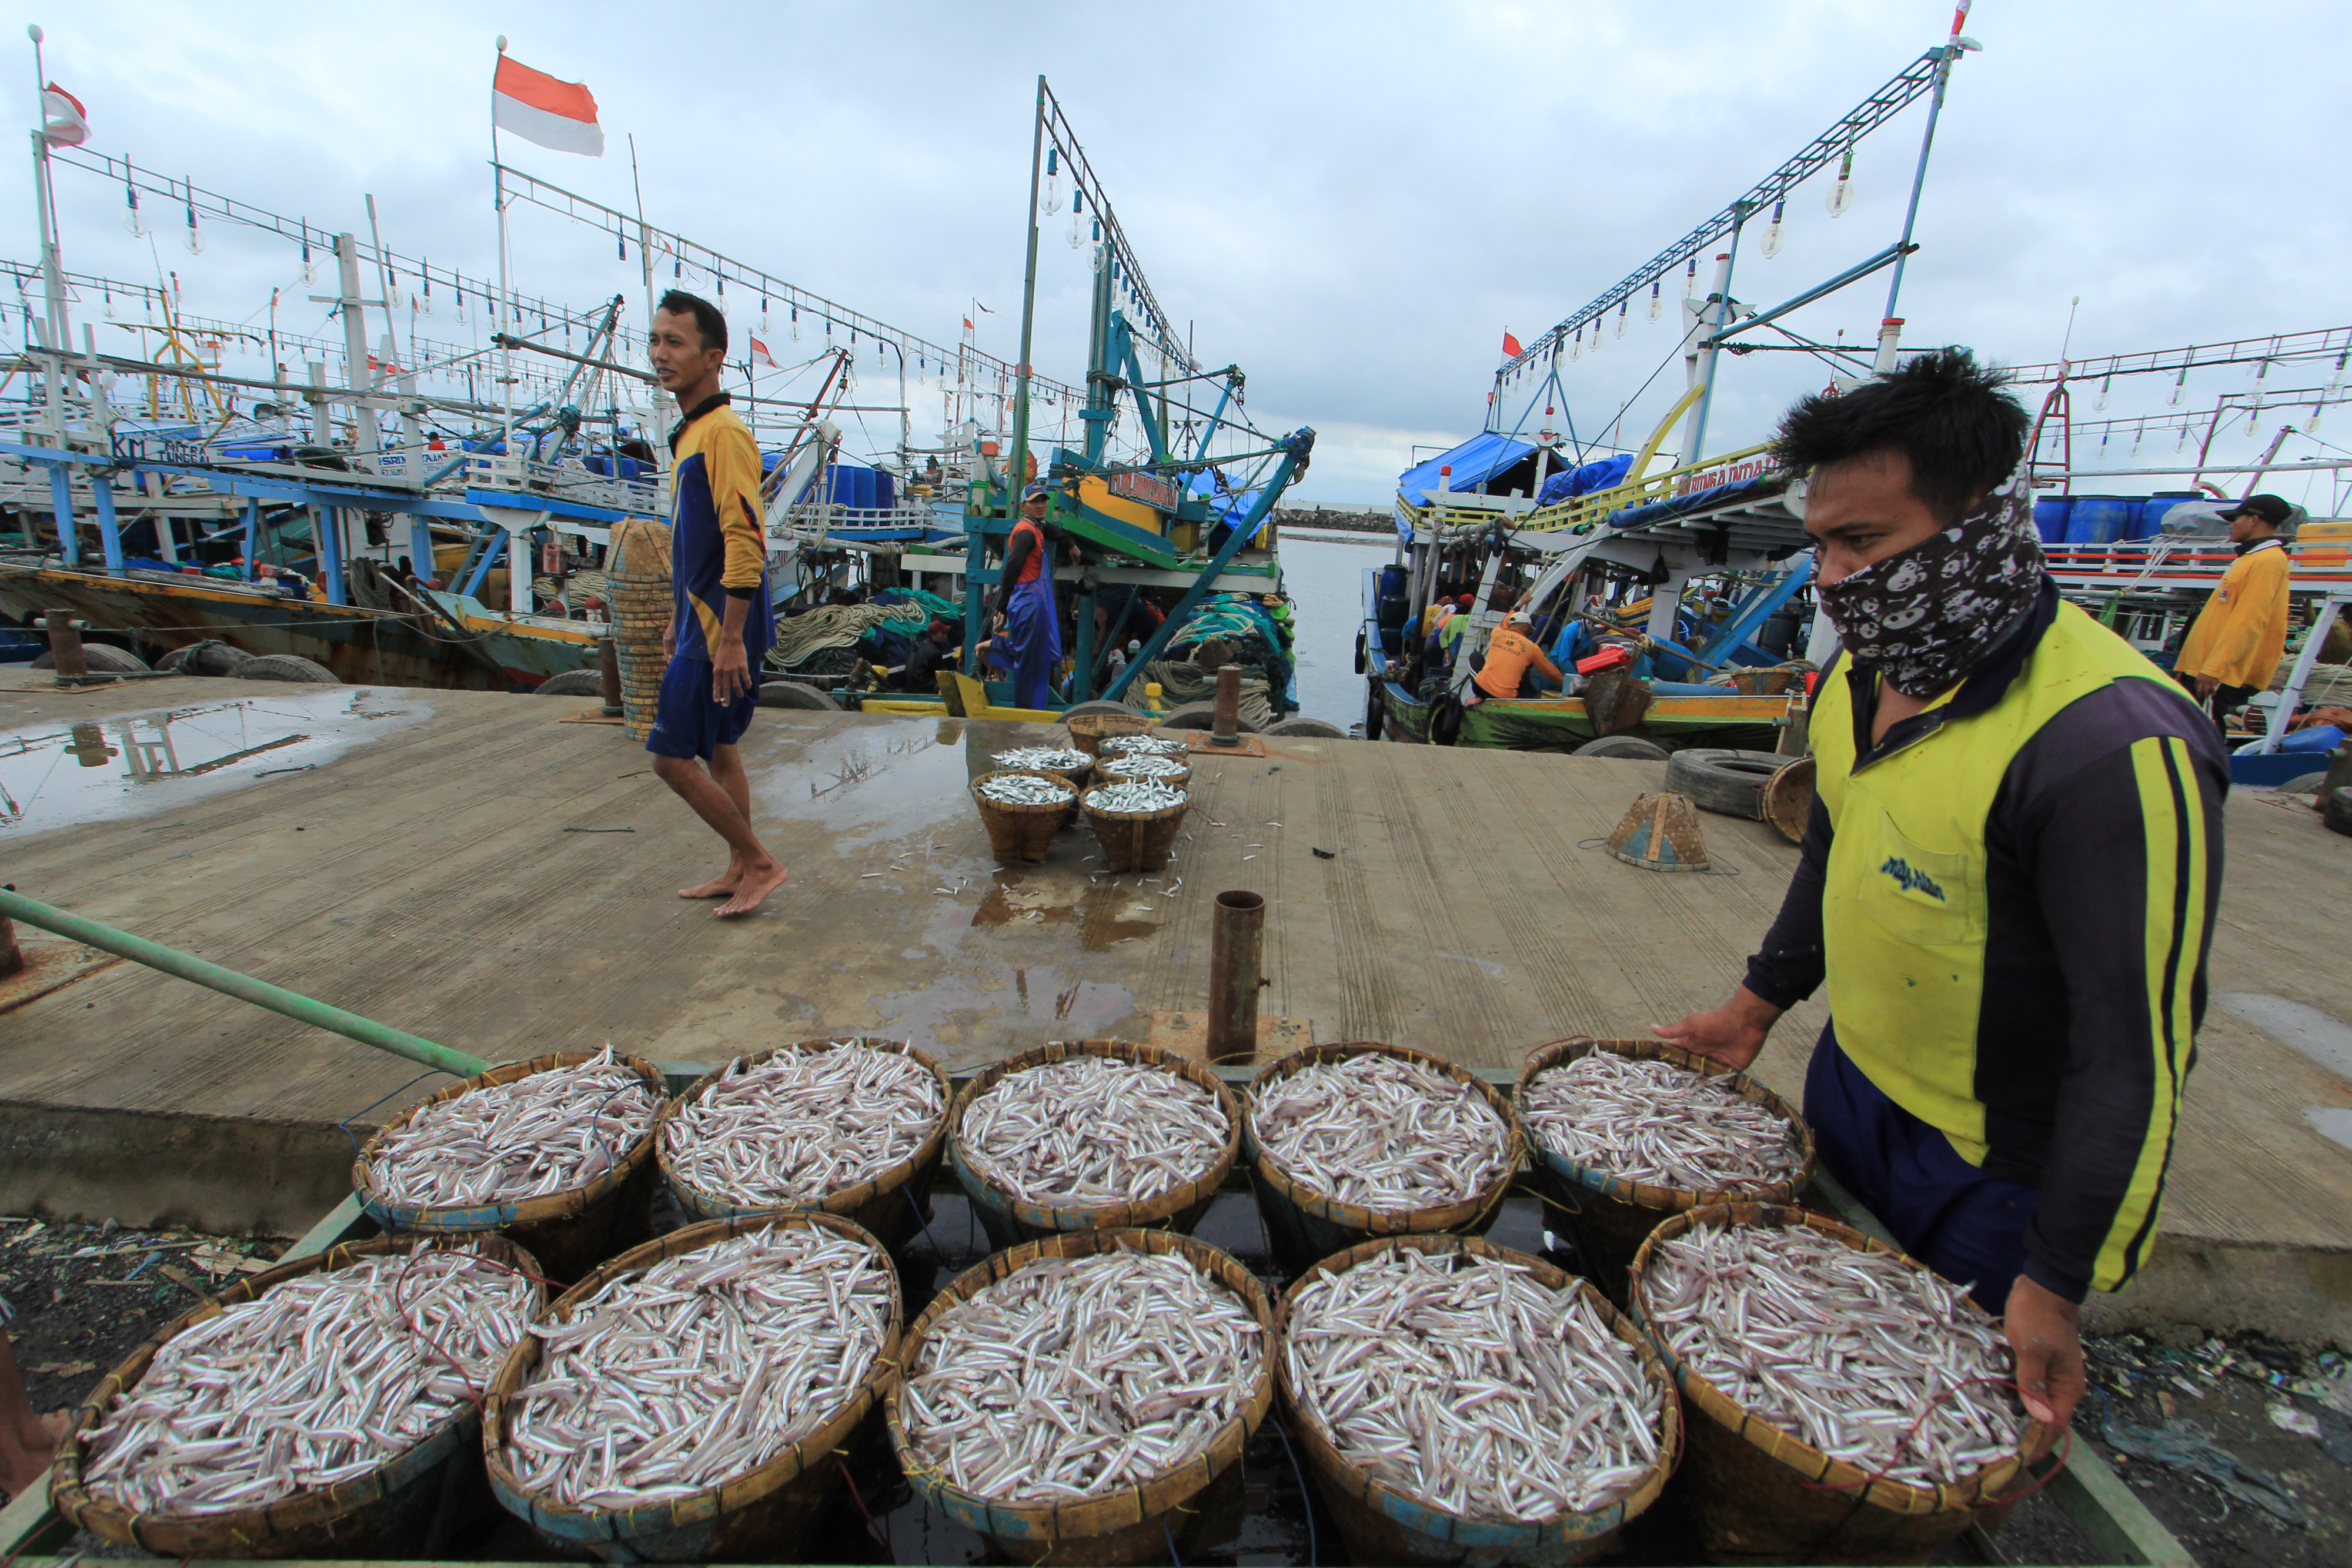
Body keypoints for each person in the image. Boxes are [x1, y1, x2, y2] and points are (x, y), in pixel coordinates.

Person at [1653, 350, 2228, 1459]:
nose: (1829, 578)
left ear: (1979, 522)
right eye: (1819, 543)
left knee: (1923, 1436)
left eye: (1863, 543)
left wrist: (2057, 1279)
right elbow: (1836, 849)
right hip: (1851, 1089)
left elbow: (2136, 1047)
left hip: (1996, 1167)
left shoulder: (2111, 743)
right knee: (1799, 1368)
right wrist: (1757, 1003)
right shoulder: (1857, 677)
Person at [645, 290, 789, 919]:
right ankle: (738, 867)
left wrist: (728, 638)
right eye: (655, 341)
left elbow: (745, 538)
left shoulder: (723, 434)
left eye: (674, 343)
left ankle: (760, 862)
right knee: (719, 748)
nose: (659, 354)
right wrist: (681, 614)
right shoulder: (694, 433)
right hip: (701, 619)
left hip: (720, 626)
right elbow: (694, 542)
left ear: (714, 357)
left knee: (671, 759)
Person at [2173, 493, 2294, 745]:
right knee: (2191, 729)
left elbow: (2249, 621)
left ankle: (2206, 781)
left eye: (2236, 519)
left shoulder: (2268, 561)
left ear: (2253, 520)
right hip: (2204, 665)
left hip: (2215, 671)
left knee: (2203, 735)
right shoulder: (2250, 559)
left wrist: (2214, 669)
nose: (2231, 524)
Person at [991, 482, 1079, 708]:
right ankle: (1027, 710)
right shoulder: (1026, 534)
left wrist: (1069, 544)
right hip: (1027, 601)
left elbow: (1050, 529)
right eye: (1034, 502)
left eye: (1043, 501)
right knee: (1030, 661)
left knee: (1041, 656)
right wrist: (1001, 606)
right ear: (1023, 505)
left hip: (1035, 602)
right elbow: (1012, 568)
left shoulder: (1035, 526)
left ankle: (1033, 705)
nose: (1041, 505)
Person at [1466, 608, 1564, 702]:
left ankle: (1480, 697)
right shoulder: (1532, 648)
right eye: (1530, 630)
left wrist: (1520, 604)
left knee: (1475, 656)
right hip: (1505, 698)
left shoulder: (1497, 633)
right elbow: (1549, 671)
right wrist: (1565, 683)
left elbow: (1504, 622)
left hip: (1481, 690)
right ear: (1526, 627)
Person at [898, 618, 958, 693]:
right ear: (933, 635)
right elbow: (940, 674)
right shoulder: (935, 653)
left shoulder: (924, 644)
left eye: (946, 633)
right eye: (942, 633)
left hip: (915, 683)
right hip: (923, 686)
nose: (945, 636)